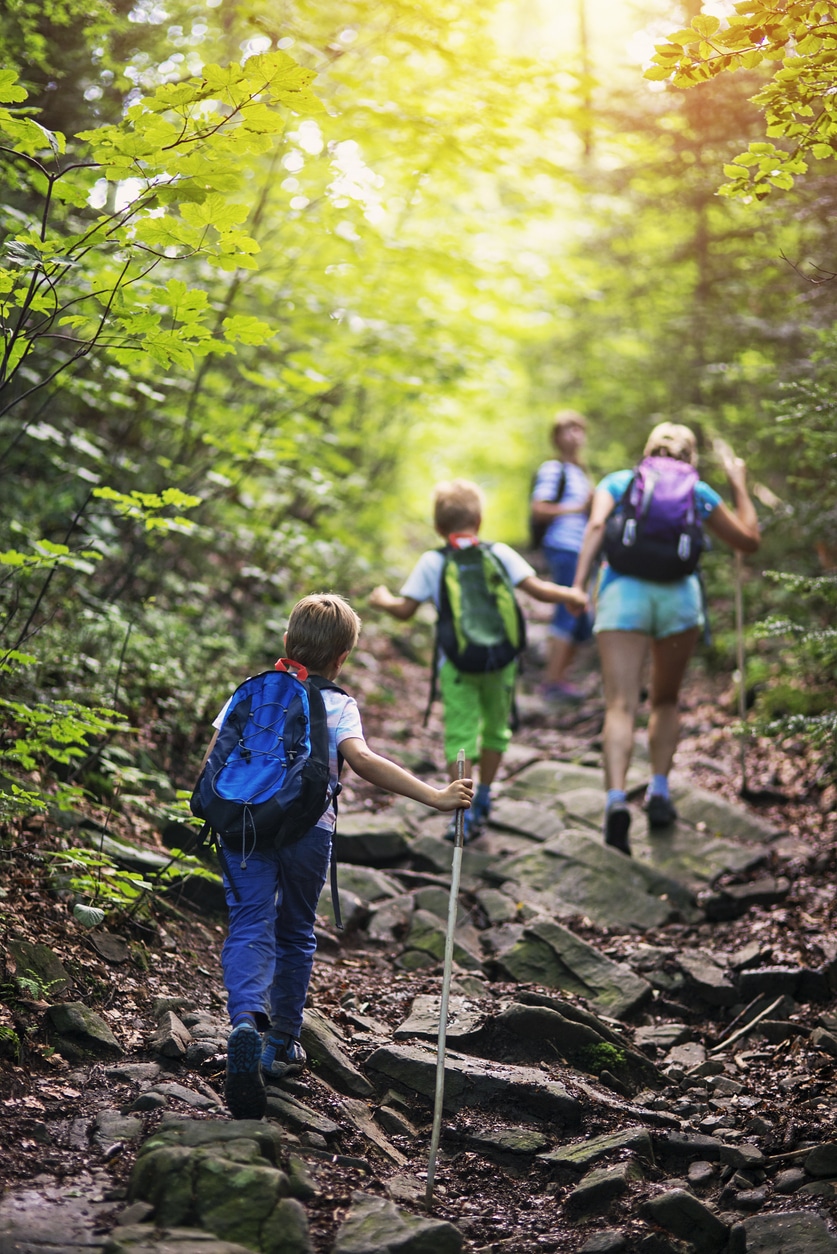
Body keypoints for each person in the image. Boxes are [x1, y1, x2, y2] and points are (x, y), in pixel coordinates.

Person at [201, 593, 474, 1120]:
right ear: (343, 657)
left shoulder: (250, 694)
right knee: (297, 930)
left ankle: (243, 1021)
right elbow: (365, 762)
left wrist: (217, 819)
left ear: (286, 642)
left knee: (249, 922)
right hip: (308, 832)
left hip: (243, 829)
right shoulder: (337, 703)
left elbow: (214, 764)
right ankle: (280, 1043)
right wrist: (436, 796)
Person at [571, 423, 760, 856]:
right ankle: (658, 791)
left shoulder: (619, 481)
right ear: (691, 457)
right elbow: (748, 542)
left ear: (647, 450)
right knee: (665, 700)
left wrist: (579, 586)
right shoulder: (699, 491)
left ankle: (616, 799)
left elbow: (597, 524)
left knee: (620, 703)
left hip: (622, 595)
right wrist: (739, 487)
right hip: (678, 600)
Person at [369, 479, 587, 841]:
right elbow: (538, 590)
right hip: (502, 660)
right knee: (497, 729)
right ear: (480, 520)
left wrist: (382, 600)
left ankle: (461, 810)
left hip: (456, 664)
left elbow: (405, 610)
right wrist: (572, 595)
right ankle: (484, 797)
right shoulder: (498, 552)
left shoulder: (433, 561)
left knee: (461, 734)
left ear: (438, 527)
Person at [530, 410, 595, 702]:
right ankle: (551, 681)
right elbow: (539, 508)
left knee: (581, 617)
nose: (574, 436)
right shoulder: (553, 469)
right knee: (569, 611)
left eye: (578, 430)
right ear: (556, 437)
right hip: (564, 546)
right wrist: (577, 508)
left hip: (581, 550)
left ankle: (560, 678)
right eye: (568, 430)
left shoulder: (581, 472)